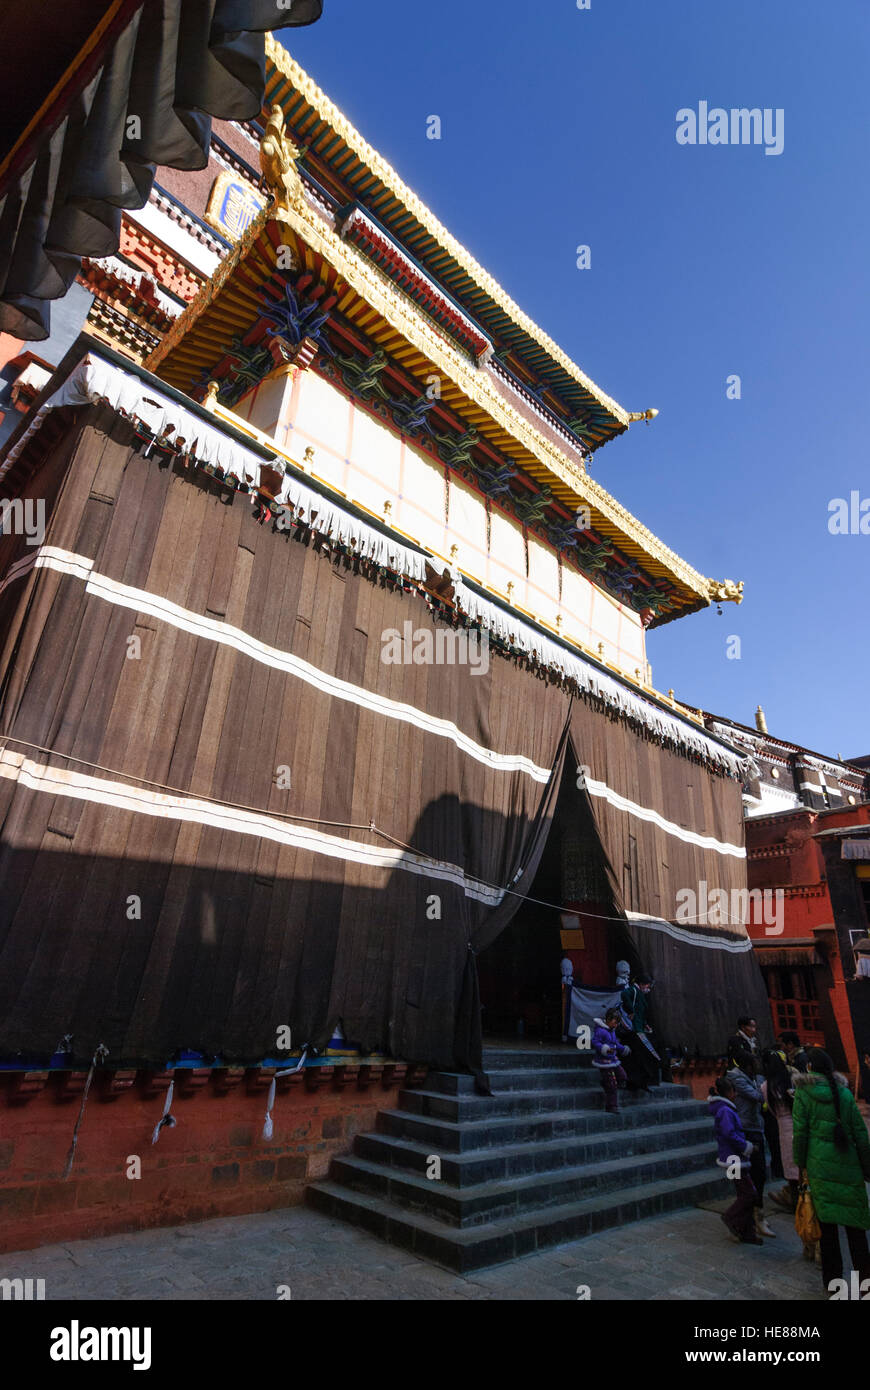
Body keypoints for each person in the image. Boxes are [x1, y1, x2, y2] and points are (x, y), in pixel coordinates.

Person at [792, 1047, 870, 1291]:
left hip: (820, 1168)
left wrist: (801, 1164)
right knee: (856, 1231)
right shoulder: (845, 1094)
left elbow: (800, 1134)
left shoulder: (804, 1095)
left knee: (828, 1233)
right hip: (849, 1168)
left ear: (809, 1068)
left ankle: (835, 1285)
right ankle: (865, 1285)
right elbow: (861, 1134)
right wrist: (866, 1167)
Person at [726, 1047, 775, 1238]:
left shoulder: (754, 1078)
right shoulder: (737, 1079)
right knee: (745, 1176)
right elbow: (760, 1096)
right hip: (744, 1133)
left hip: (754, 1128)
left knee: (757, 1174)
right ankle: (739, 1216)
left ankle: (752, 1215)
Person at [708, 1076, 762, 1245]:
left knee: (743, 1192)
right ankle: (731, 1217)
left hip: (733, 1156)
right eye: (733, 1091)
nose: (736, 1094)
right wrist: (746, 1146)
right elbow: (729, 1133)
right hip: (733, 1157)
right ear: (728, 1092)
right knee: (748, 1193)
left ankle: (745, 1231)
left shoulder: (725, 1109)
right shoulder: (725, 1111)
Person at [763, 1047, 800, 1213]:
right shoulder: (793, 1079)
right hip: (798, 1123)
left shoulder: (766, 1086)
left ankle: (796, 1200)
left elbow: (770, 1109)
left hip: (783, 1125)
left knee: (791, 1164)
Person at [619, 974, 661, 1090]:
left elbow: (641, 1012)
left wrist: (645, 1024)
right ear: (641, 984)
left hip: (639, 1029)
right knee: (641, 1056)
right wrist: (630, 1010)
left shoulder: (640, 994)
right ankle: (636, 1082)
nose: (648, 988)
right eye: (647, 985)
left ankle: (644, 1082)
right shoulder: (633, 990)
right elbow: (624, 995)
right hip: (634, 1031)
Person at [592, 1008, 630, 1114]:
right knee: (612, 1085)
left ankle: (606, 1082)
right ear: (608, 1019)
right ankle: (611, 1106)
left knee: (622, 1076)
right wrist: (604, 1048)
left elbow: (615, 1043)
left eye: (617, 1023)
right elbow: (595, 1042)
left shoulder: (612, 1031)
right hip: (604, 1061)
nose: (616, 1025)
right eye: (614, 1022)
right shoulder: (600, 1031)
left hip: (613, 1059)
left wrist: (623, 1049)